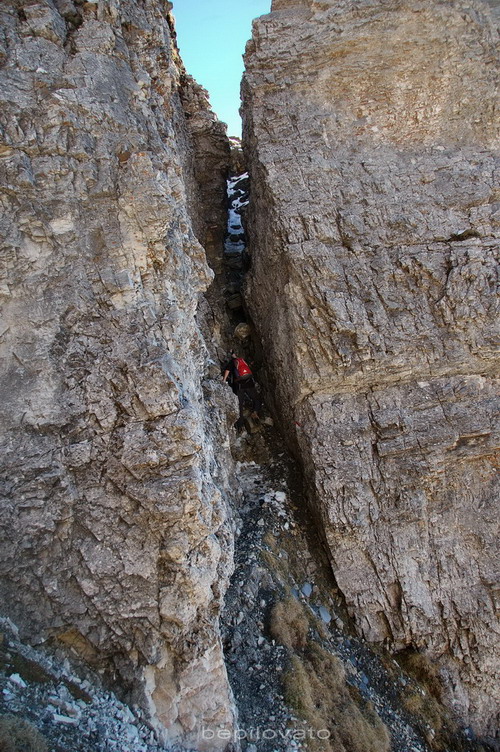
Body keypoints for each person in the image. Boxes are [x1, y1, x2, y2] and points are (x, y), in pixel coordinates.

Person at [222, 351, 261, 424]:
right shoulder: (243, 360)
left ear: (233, 355)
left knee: (240, 404)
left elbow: (227, 370)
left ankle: (240, 422)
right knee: (256, 398)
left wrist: (224, 380)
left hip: (240, 386)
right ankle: (255, 412)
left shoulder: (233, 362)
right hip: (249, 383)